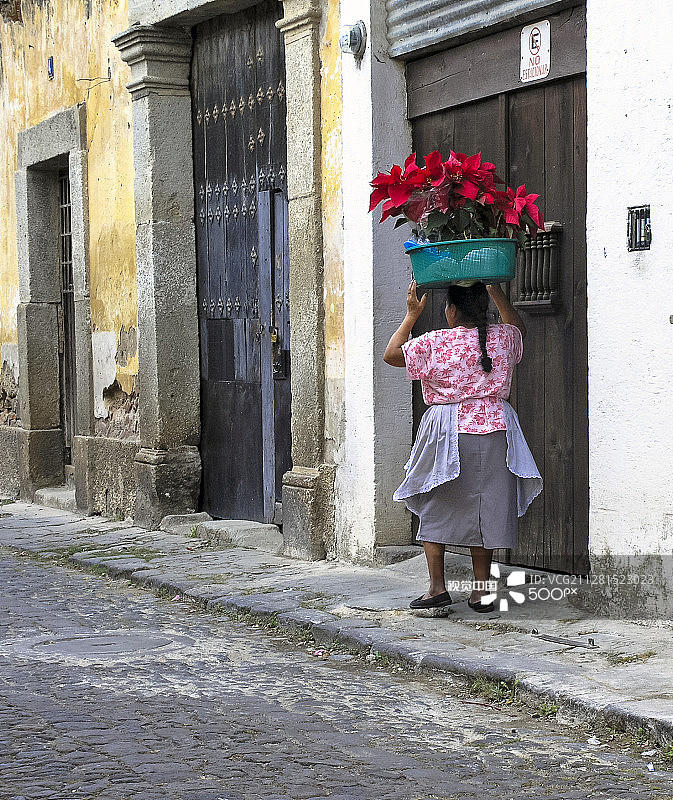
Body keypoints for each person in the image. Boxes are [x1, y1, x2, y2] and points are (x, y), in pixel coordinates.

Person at [384, 279, 542, 613]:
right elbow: (518, 328)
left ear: (451, 311)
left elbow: (392, 354)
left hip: (448, 432)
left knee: (435, 499)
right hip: (496, 429)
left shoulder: (436, 342)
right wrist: (495, 289)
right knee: (487, 505)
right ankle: (481, 592)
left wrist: (412, 315)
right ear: (483, 307)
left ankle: (437, 588)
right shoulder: (502, 338)